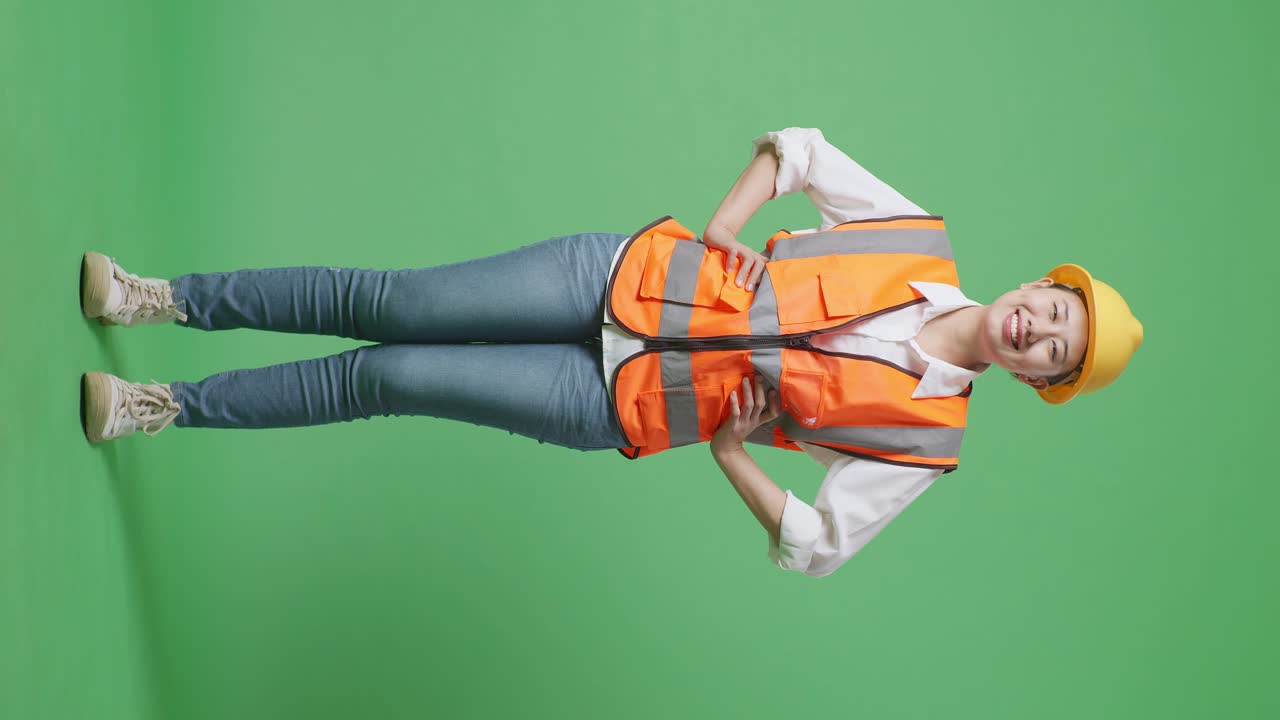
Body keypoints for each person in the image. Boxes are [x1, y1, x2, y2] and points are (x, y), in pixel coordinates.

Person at [79, 127, 1143, 578]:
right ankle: (161, 298)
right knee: (390, 301)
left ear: (1039, 381)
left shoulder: (927, 442)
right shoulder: (917, 236)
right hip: (618, 273)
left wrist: (731, 456)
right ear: (1034, 286)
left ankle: (160, 403)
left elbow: (820, 543)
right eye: (1053, 310)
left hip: (613, 402)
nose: (1038, 330)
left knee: (388, 375)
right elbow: (802, 150)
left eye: (1054, 351)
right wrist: (724, 224)